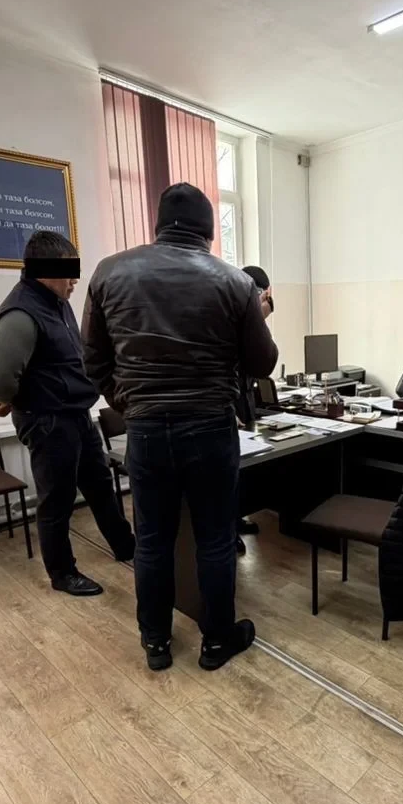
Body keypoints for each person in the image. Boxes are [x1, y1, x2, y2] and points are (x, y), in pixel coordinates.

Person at [82, 183, 278, 672]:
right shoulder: (235, 282)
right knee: (214, 539)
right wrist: (257, 316)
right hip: (210, 426)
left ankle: (155, 642)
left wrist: (131, 404)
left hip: (146, 430)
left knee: (152, 540)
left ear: (157, 225)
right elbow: (262, 363)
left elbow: (93, 361)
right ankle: (217, 641)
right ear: (209, 232)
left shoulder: (109, 272)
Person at [0, 231, 135, 598]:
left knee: (100, 485)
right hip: (48, 421)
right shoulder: (20, 312)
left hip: (75, 414)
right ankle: (62, 573)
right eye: (68, 271)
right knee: (57, 501)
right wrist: (12, 397)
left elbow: (62, 359)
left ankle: (126, 546)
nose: (74, 280)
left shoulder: (56, 303)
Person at [234, 265, 274, 554]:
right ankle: (227, 529)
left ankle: (235, 519)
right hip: (230, 397)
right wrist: (259, 318)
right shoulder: (232, 315)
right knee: (228, 470)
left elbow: (261, 363)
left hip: (246, 396)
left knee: (243, 468)